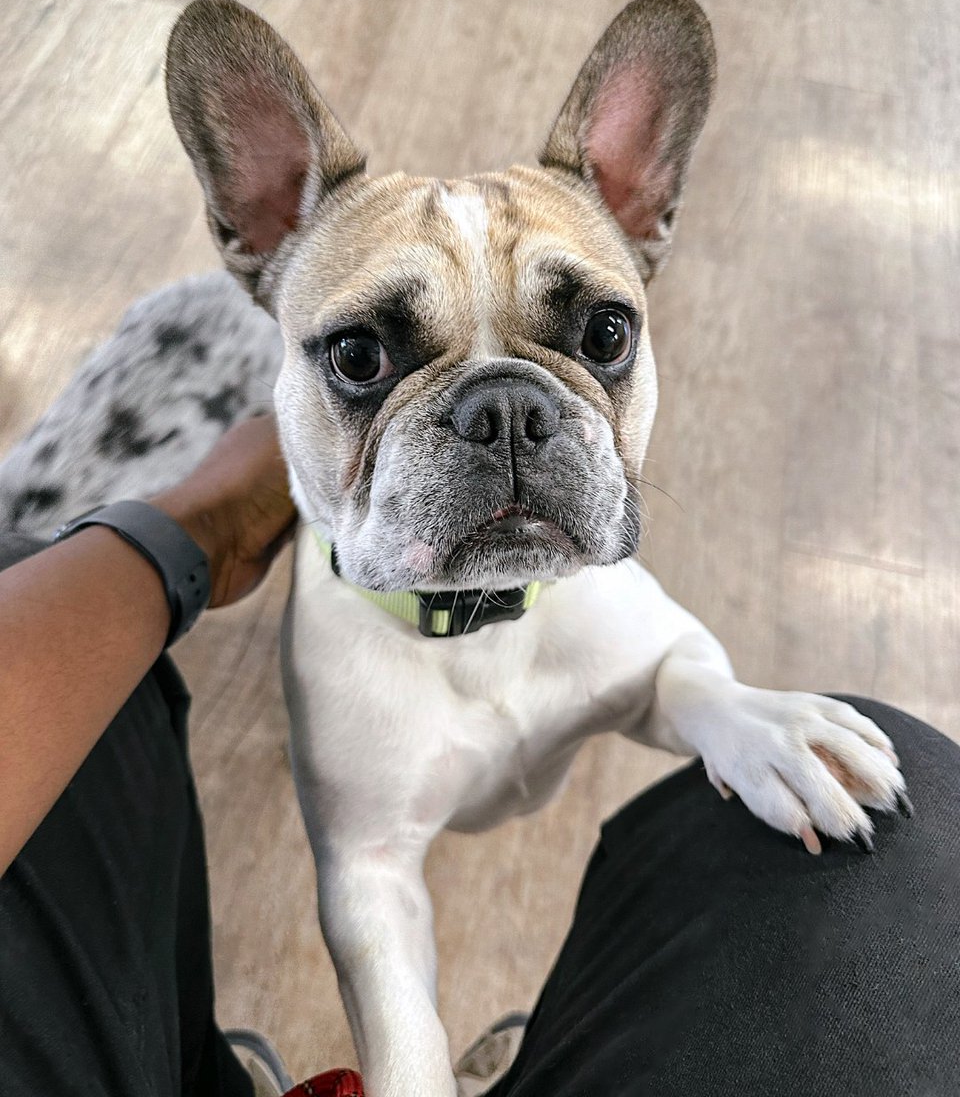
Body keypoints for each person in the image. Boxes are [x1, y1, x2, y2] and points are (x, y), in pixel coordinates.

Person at [1, 416, 958, 1096]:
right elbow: (369, 868)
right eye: (365, 363)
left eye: (599, 335)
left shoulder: (599, 598)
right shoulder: (331, 654)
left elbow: (670, 663)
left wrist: (717, 707)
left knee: (19, 571)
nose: (503, 427)